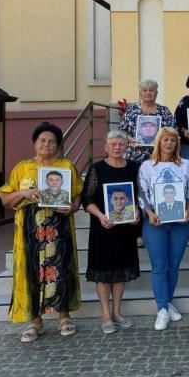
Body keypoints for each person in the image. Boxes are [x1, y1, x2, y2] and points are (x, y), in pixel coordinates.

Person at [0, 122, 83, 343]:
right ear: (35, 143)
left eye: (51, 141)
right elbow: (6, 199)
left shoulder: (67, 166)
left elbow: (76, 195)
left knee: (62, 267)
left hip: (59, 226)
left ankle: (64, 317)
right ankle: (35, 321)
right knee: (32, 272)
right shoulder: (21, 168)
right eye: (42, 140)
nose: (46, 144)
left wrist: (72, 207)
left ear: (57, 145)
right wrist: (24, 192)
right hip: (30, 230)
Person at [81, 130, 140, 334]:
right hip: (103, 229)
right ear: (105, 147)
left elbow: (138, 195)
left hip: (125, 229)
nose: (117, 147)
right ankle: (106, 315)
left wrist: (138, 212)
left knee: (121, 272)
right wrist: (100, 216)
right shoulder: (97, 169)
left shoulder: (133, 167)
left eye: (121, 144)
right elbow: (86, 200)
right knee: (104, 274)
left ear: (126, 147)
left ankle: (117, 313)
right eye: (113, 144)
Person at [138, 126, 189, 330]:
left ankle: (167, 302)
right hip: (155, 223)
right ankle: (162, 309)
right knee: (159, 266)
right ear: (158, 142)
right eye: (165, 140)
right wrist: (150, 213)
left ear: (177, 143)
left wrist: (188, 210)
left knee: (174, 264)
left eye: (172, 140)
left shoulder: (186, 165)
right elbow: (141, 194)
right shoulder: (147, 166)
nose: (169, 143)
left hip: (180, 223)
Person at [118, 79, 176, 165]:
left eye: (151, 90)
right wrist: (129, 139)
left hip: (159, 157)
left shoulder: (164, 111)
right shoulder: (132, 110)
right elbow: (120, 131)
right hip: (134, 156)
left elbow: (173, 131)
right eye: (144, 90)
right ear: (140, 94)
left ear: (156, 93)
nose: (148, 93)